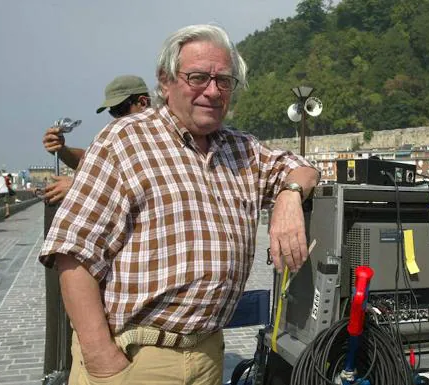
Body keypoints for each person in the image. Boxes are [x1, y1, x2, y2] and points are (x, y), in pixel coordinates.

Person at [39, 24, 319, 384]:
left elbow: (303, 167)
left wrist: (289, 195)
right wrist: (102, 359)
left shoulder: (242, 149)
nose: (213, 91)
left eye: (224, 81)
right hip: (135, 356)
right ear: (165, 81)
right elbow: (73, 253)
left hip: (208, 355)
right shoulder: (126, 140)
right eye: (198, 77)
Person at [41, 75, 151, 204]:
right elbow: (93, 160)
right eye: (113, 111)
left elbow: (144, 189)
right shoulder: (120, 137)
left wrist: (77, 187)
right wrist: (61, 150)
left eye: (121, 109)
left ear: (143, 103)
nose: (118, 118)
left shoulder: (159, 136)